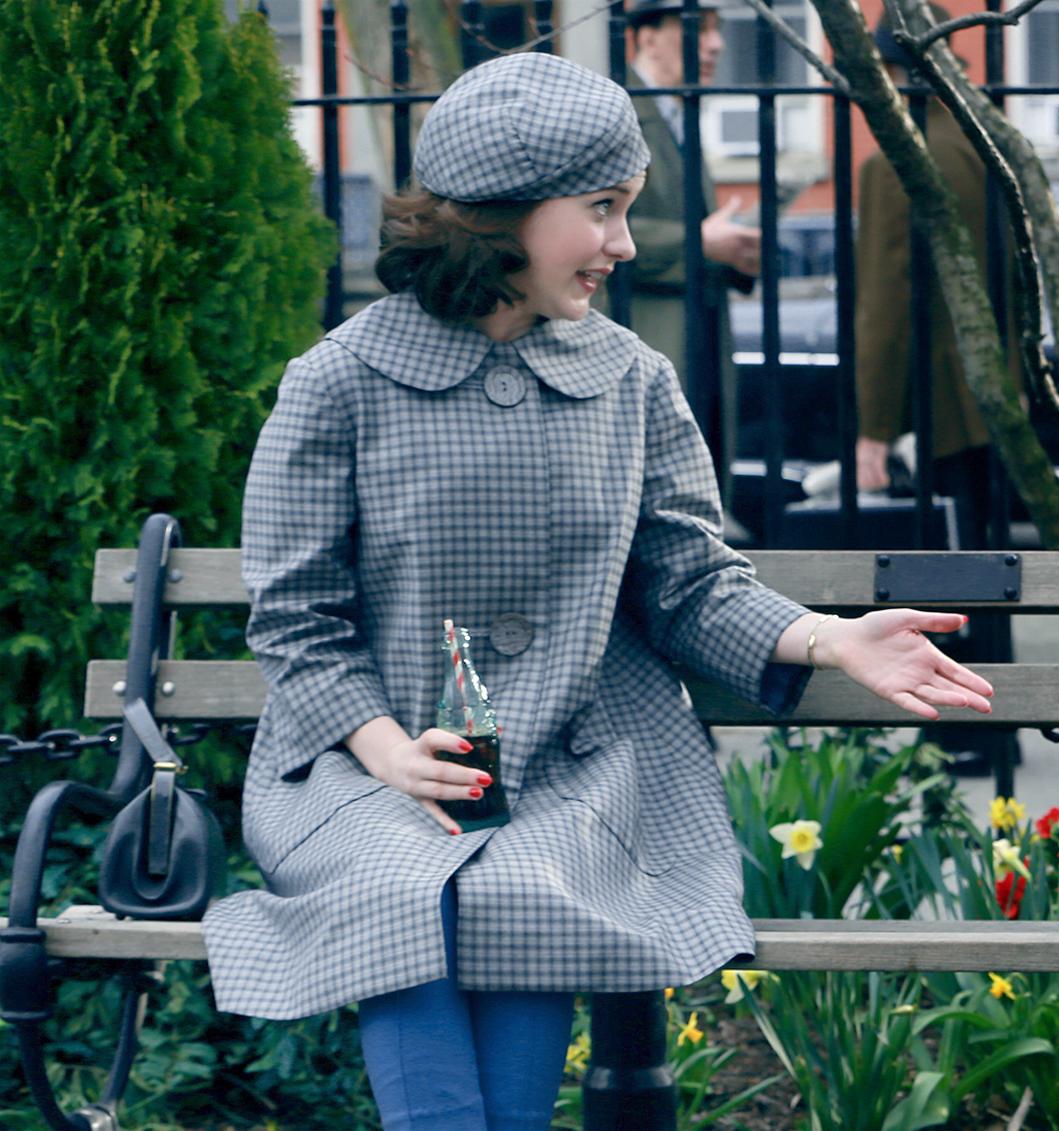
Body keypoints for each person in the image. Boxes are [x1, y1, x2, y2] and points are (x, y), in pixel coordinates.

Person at [201, 52, 994, 1130]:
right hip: (365, 769)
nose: (625, 243)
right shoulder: (340, 379)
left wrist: (826, 637)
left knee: (534, 886)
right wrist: (387, 750)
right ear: (502, 217)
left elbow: (692, 585)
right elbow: (293, 619)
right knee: (393, 883)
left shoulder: (630, 379)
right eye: (603, 210)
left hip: (570, 764)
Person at [852, 6, 1022, 775]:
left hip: (938, 401)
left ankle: (959, 731)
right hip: (999, 396)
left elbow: (886, 302)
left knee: (943, 574)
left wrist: (874, 427)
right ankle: (1000, 722)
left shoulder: (897, 156)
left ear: (887, 71)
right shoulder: (987, 144)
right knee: (991, 564)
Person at [619, 0, 762, 513]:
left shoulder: (685, 112)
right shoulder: (619, 110)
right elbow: (582, 227)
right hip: (648, 331)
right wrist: (698, 242)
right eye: (697, 29)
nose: (716, 43)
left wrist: (736, 252)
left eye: (717, 30)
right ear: (647, 36)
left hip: (703, 333)